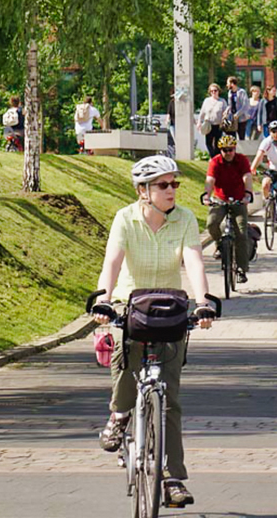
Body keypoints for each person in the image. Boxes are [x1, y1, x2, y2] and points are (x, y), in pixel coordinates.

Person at [90, 155, 213, 508]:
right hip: (131, 307)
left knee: (170, 400)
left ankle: (173, 478)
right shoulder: (124, 219)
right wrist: (104, 301)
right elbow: (112, 262)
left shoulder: (186, 218)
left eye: (175, 183)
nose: (172, 189)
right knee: (125, 365)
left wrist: (203, 302)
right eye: (164, 184)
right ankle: (119, 414)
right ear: (143, 191)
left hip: (172, 310)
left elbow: (193, 260)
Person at [204, 134, 253, 283]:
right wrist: (207, 196)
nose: (228, 153)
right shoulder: (215, 162)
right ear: (220, 151)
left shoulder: (242, 160)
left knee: (241, 233)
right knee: (212, 223)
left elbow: (247, 177)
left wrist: (247, 195)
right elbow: (210, 180)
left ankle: (241, 269)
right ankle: (220, 245)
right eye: (225, 150)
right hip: (220, 199)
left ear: (234, 149)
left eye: (231, 149)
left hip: (239, 199)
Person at [196, 83, 227, 158]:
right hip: (208, 124)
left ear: (218, 91)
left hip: (218, 125)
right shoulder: (207, 101)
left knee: (218, 143)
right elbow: (202, 113)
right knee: (208, 143)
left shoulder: (222, 101)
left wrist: (225, 116)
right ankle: (213, 157)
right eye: (211, 91)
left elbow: (226, 112)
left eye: (215, 90)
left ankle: (217, 157)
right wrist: (199, 122)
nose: (213, 92)